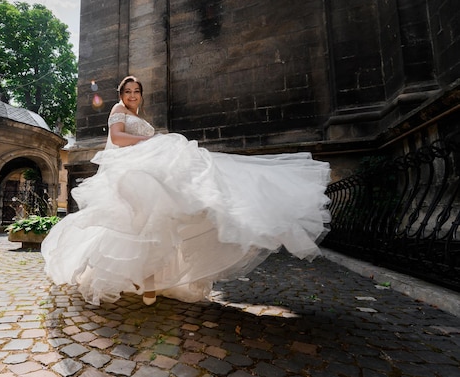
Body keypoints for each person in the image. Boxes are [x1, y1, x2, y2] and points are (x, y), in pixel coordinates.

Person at [41, 76, 331, 306]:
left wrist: (155, 141)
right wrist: (151, 143)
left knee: (158, 223)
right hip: (132, 172)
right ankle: (143, 283)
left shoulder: (143, 120)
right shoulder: (118, 111)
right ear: (120, 95)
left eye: (136, 92)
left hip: (146, 168)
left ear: (141, 95)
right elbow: (116, 139)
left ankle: (149, 283)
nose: (132, 96)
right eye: (127, 91)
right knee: (141, 223)